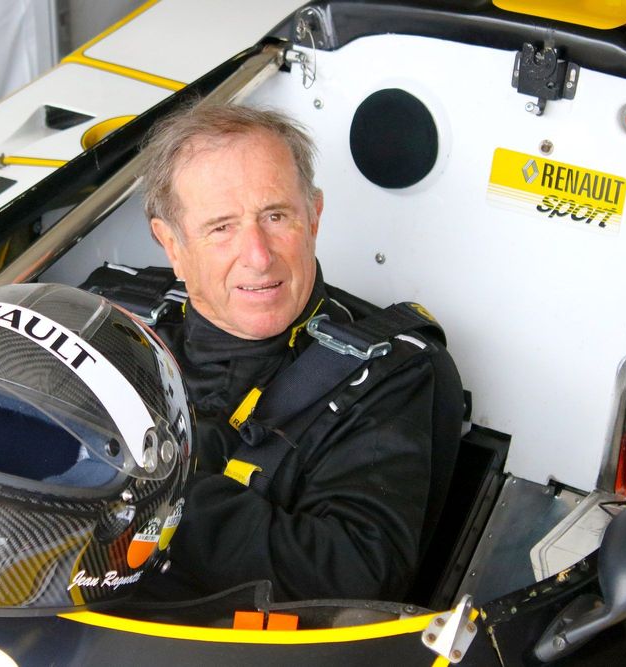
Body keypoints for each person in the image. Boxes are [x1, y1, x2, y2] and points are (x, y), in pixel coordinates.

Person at [138, 103, 459, 602]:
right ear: (172, 245)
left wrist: (145, 492)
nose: (259, 255)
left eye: (276, 216)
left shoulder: (386, 373)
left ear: (314, 217)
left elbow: (355, 574)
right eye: (221, 227)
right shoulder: (117, 325)